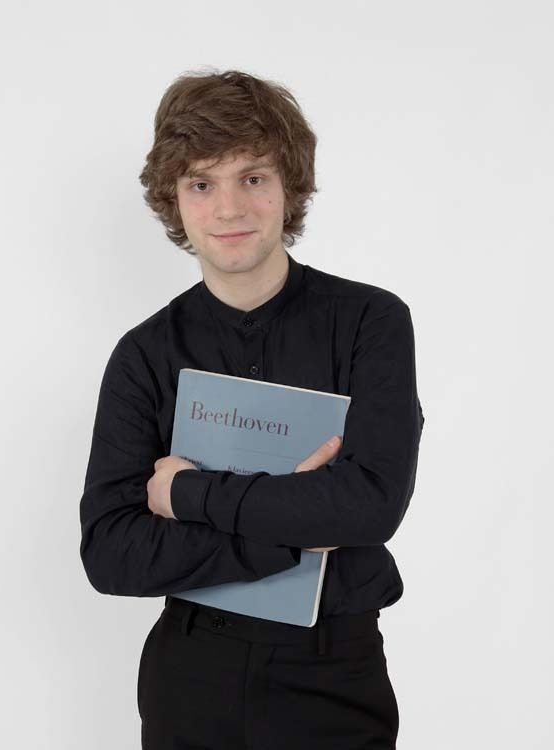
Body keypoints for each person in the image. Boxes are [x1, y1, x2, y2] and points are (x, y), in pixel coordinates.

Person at [79, 68, 425, 749]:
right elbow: (112, 554)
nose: (229, 209)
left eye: (253, 177)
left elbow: (370, 505)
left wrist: (186, 492)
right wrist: (293, 529)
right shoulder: (143, 355)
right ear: (174, 200)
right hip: (191, 672)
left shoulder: (371, 322)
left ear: (289, 186)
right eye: (201, 184)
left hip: (334, 670)